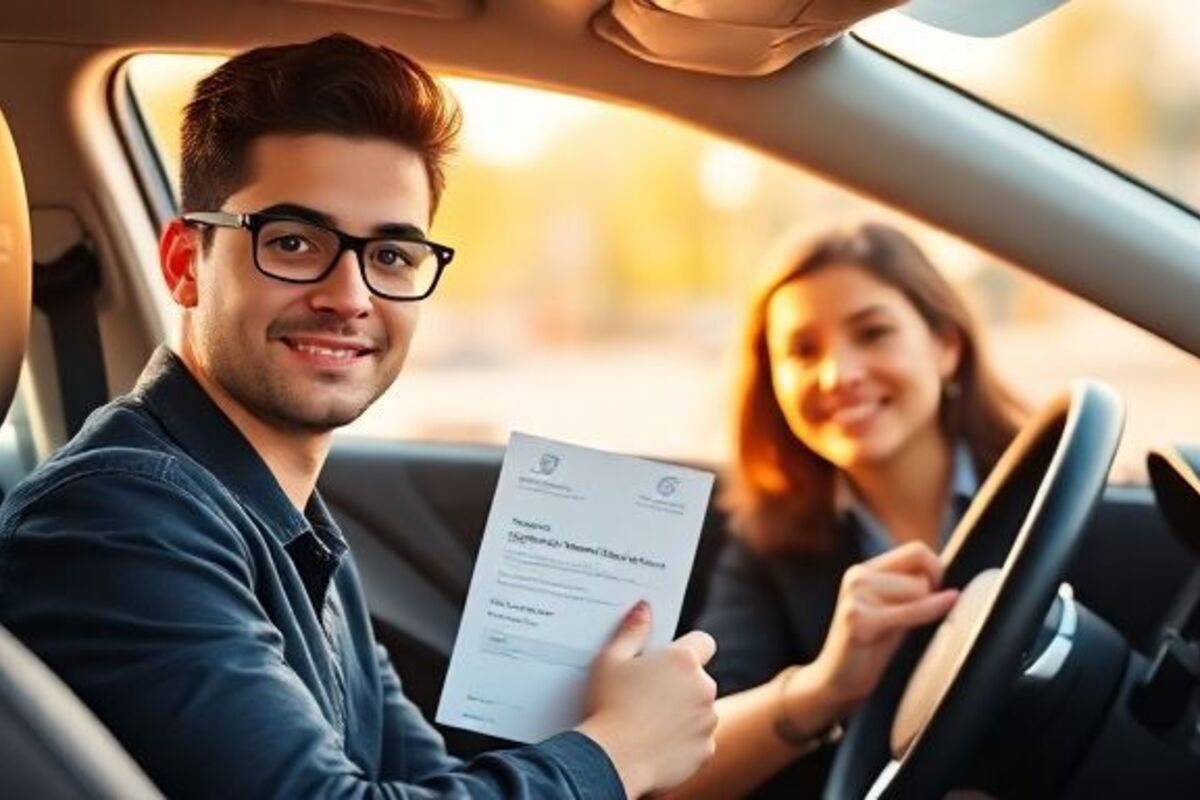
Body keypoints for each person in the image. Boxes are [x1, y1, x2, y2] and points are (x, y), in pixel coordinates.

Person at [0, 35, 719, 799]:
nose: (349, 297)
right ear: (184, 263)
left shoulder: (286, 521)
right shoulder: (117, 517)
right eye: (294, 242)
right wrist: (616, 753)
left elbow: (430, 781)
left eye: (392, 257)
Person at [672, 223, 1027, 799]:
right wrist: (823, 688)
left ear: (946, 346)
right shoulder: (769, 544)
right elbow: (679, 767)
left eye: (873, 333)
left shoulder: (1056, 490)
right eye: (802, 351)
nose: (839, 375)